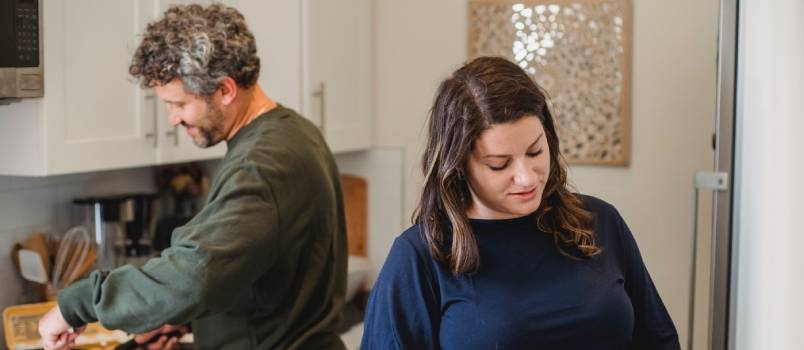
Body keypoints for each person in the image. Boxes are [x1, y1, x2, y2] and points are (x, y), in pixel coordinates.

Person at [38, 4, 347, 350]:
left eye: (180, 104)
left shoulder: (262, 164)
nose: (172, 119)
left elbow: (193, 275)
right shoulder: (292, 133)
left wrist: (76, 304)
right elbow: (252, 271)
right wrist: (181, 320)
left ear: (226, 90)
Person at [361, 56, 680, 349]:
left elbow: (659, 340)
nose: (527, 178)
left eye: (535, 152)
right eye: (499, 164)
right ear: (458, 166)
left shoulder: (599, 221)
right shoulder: (420, 257)